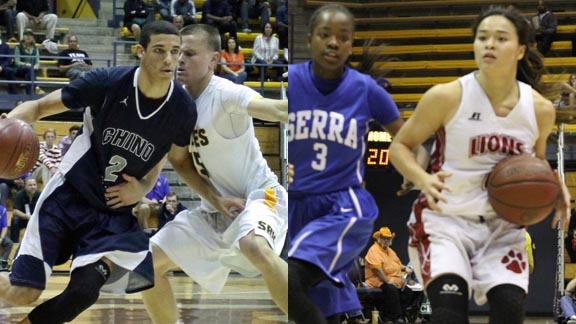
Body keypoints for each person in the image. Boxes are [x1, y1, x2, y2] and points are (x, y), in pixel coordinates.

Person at [0, 21, 198, 324]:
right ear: (140, 51)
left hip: (111, 213)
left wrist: (144, 186)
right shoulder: (107, 83)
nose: (169, 60)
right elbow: (37, 107)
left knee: (84, 292)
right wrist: (7, 126)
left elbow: (167, 151)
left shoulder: (182, 108)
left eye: (175, 52)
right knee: (22, 294)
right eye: (159, 51)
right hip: (68, 197)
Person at [389, 6, 571, 324]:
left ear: (521, 50)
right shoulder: (446, 96)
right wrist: (422, 178)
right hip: (446, 222)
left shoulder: (539, 110)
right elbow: (400, 147)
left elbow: (536, 164)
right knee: (448, 315)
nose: (489, 44)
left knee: (511, 310)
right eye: (482, 37)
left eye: (500, 38)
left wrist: (556, 187)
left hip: (503, 228)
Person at [287, 4, 425, 324]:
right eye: (325, 35)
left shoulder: (365, 89)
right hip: (297, 206)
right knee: (319, 305)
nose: (333, 42)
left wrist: (413, 168)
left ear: (350, 44)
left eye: (343, 37)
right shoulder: (292, 81)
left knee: (290, 281)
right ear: (310, 39)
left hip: (342, 206)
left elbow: (407, 141)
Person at [141, 24, 288, 323]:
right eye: (178, 51)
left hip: (261, 196)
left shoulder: (225, 93)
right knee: (146, 265)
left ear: (214, 60)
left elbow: (273, 109)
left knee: (254, 246)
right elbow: (180, 161)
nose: (179, 59)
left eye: (190, 53)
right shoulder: (175, 104)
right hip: (217, 208)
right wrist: (216, 199)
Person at [365, 227, 413, 324]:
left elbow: (397, 264)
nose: (386, 240)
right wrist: (387, 281)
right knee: (391, 289)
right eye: (384, 238)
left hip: (393, 281)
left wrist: (405, 268)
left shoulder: (390, 251)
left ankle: (388, 317)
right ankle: (397, 318)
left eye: (388, 238)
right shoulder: (374, 250)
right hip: (378, 281)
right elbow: (377, 270)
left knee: (408, 292)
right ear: (379, 238)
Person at [10, 178, 40, 243]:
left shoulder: (40, 194)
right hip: (24, 219)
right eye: (30, 185)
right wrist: (26, 216)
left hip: (36, 219)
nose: (33, 187)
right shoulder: (19, 194)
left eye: (34, 185)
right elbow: (15, 211)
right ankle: (14, 243)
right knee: (15, 220)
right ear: (25, 186)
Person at [14, 30, 43, 95]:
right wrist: (25, 64)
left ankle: (29, 96)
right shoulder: (18, 47)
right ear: (23, 37)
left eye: (30, 35)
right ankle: (36, 87)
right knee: (29, 69)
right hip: (20, 69)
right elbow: (17, 61)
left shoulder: (35, 48)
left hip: (31, 71)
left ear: (33, 38)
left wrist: (33, 67)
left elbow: (37, 62)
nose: (28, 37)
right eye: (26, 35)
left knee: (28, 75)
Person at [0, 196, 14, 271]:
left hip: (0, 233)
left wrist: (1, 238)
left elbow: (5, 226)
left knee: (9, 243)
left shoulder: (2, 210)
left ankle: (2, 262)